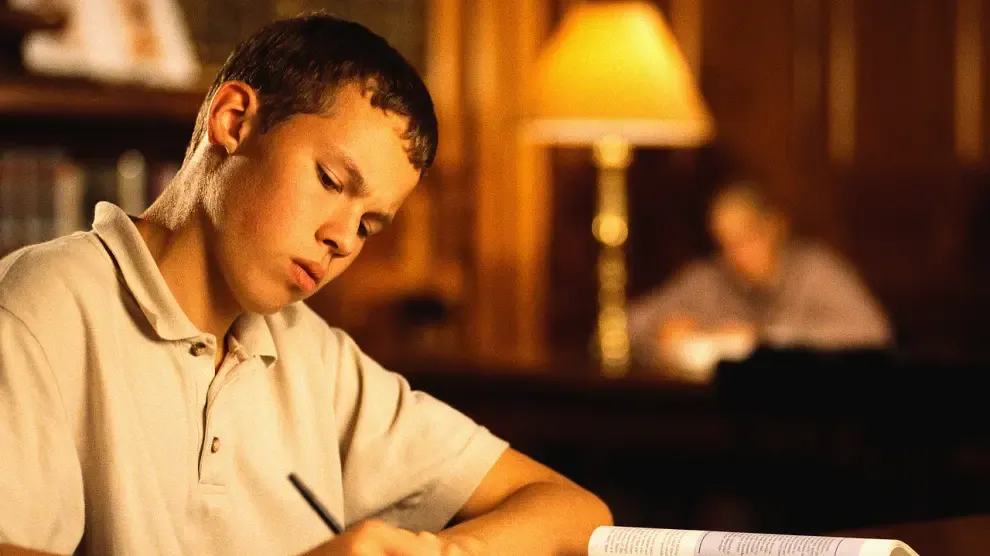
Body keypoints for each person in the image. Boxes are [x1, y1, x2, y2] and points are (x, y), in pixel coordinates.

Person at [0, 14, 611, 556]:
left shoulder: (313, 358)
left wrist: (443, 551)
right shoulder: (39, 306)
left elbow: (576, 513)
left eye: (370, 224)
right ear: (234, 121)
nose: (345, 239)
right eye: (331, 180)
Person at [627, 180, 893, 371]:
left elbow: (871, 332)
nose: (736, 255)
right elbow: (628, 324)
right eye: (726, 243)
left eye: (746, 239)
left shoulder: (815, 271)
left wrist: (766, 340)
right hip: (723, 412)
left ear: (774, 227)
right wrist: (661, 329)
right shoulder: (709, 278)